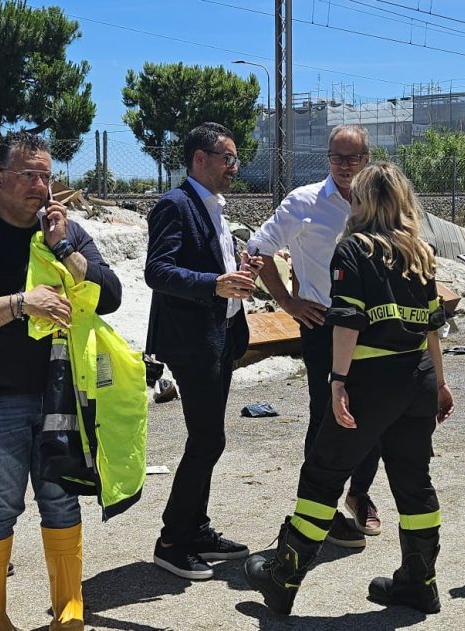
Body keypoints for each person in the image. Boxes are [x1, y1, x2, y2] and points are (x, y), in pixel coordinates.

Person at [0, 132, 122, 630]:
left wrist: (64, 250)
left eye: (46, 175)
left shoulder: (64, 233)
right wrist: (21, 303)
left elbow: (111, 297)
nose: (40, 186)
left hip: (63, 392)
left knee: (61, 499)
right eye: (28, 175)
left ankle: (69, 613)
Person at [245, 162, 455, 616]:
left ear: (365, 203)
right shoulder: (420, 251)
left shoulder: (353, 249)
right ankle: (420, 583)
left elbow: (348, 323)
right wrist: (440, 383)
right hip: (416, 376)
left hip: (369, 382)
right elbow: (434, 328)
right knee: (414, 480)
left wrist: (338, 381)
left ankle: (283, 576)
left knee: (323, 473)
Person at [246, 124, 382, 549]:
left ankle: (358, 494)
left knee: (376, 412)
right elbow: (257, 248)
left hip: (374, 325)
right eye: (337, 158)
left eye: (353, 158)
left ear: (367, 158)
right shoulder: (304, 202)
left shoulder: (378, 201)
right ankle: (315, 505)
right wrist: (288, 303)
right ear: (328, 158)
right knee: (325, 415)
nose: (344, 166)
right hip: (323, 325)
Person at [144, 122, 263, 581]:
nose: (235, 166)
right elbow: (158, 271)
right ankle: (172, 541)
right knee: (208, 440)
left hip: (221, 336)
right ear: (200, 158)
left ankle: (196, 529)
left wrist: (236, 265)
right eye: (228, 158)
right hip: (191, 342)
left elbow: (209, 259)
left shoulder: (213, 205)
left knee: (209, 439)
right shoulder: (175, 205)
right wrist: (214, 283)